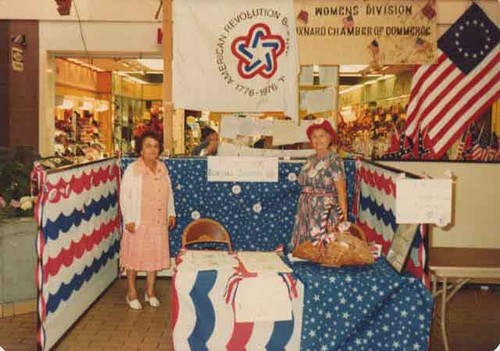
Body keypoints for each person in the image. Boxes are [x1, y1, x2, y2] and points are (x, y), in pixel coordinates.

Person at [120, 131, 176, 310]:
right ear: (141, 149)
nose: (152, 149)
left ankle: (150, 291)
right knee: (134, 258)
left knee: (154, 257)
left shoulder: (162, 168)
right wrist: (128, 218)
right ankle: (131, 292)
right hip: (138, 221)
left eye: (155, 146)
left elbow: (169, 193)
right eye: (148, 146)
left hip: (158, 221)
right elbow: (124, 195)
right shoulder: (133, 169)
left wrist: (171, 212)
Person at [290, 118, 348, 249]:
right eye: (314, 137)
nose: (318, 140)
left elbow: (341, 192)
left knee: (325, 250)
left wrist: (343, 220)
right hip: (307, 209)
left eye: (322, 136)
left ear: (329, 138)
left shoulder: (335, 160)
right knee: (307, 251)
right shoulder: (310, 159)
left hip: (325, 211)